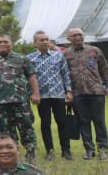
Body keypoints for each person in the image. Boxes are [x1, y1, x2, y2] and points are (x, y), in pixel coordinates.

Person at [0, 34, 40, 161]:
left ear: (11, 43)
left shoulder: (21, 58)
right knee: (6, 130)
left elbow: (31, 76)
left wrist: (35, 94)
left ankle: (31, 153)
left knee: (26, 127)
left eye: (5, 41)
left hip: (21, 101)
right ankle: (12, 154)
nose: (3, 44)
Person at [63, 27, 108, 160]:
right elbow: (63, 74)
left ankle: (103, 149)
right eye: (74, 35)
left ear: (83, 36)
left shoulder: (95, 50)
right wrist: (67, 92)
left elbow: (105, 69)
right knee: (83, 122)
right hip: (77, 93)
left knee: (99, 121)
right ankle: (89, 150)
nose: (78, 37)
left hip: (96, 91)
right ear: (69, 39)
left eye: (80, 35)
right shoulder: (65, 54)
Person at [27, 31, 73, 160]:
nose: (45, 42)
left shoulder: (58, 56)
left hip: (58, 94)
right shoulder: (30, 58)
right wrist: (31, 94)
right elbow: (28, 78)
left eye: (47, 39)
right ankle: (50, 151)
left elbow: (65, 74)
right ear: (35, 43)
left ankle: (66, 150)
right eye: (41, 40)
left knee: (62, 122)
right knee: (45, 123)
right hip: (42, 96)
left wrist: (68, 91)